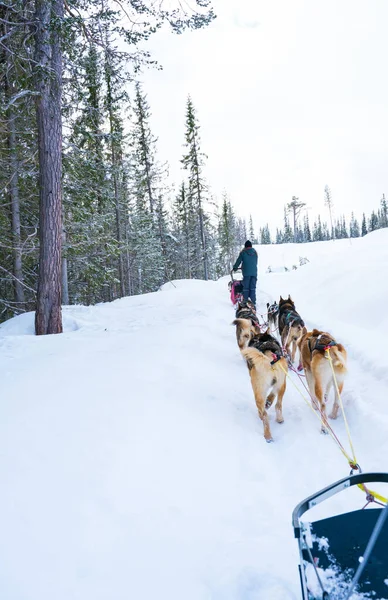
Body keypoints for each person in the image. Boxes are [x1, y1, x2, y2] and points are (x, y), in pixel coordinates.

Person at [233, 240, 258, 306]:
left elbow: (238, 261)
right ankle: (253, 302)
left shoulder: (243, 252)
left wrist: (235, 268)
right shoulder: (255, 252)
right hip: (254, 273)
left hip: (246, 273)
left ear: (245, 246)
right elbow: (254, 262)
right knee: (252, 288)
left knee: (246, 288)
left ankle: (245, 302)